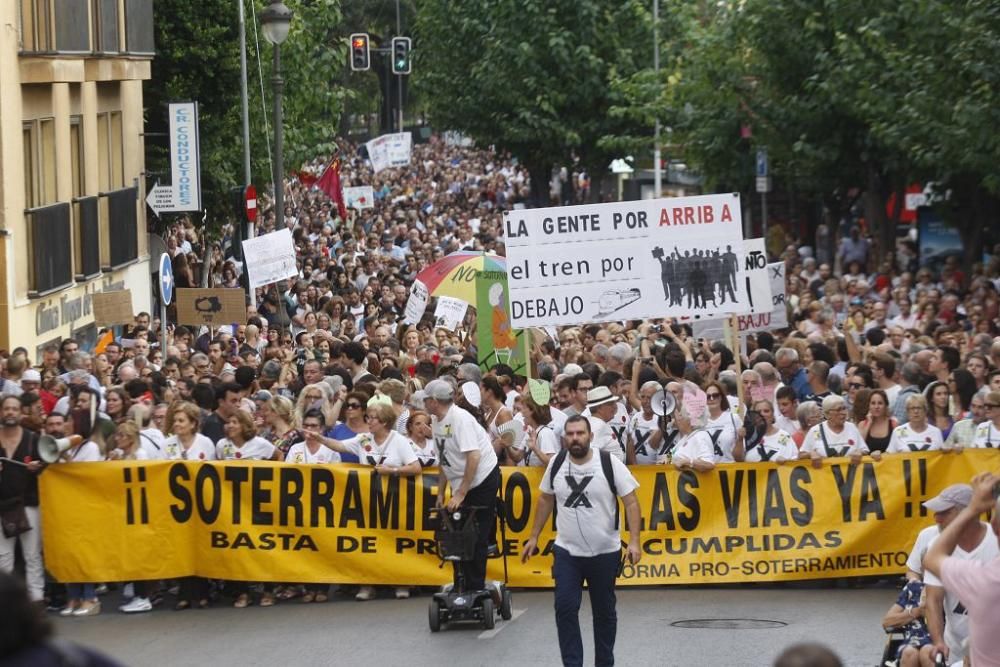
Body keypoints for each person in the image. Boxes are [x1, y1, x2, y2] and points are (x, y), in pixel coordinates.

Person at [522, 415, 641, 667]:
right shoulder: (556, 463)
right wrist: (533, 536)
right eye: (571, 434)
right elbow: (545, 499)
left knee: (604, 613)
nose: (575, 438)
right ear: (564, 437)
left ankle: (604, 662)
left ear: (590, 436)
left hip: (605, 552)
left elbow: (631, 501)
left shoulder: (608, 464)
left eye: (580, 433)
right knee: (564, 608)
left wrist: (634, 541)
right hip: (567, 552)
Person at [308, 401, 420, 600]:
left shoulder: (399, 441)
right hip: (366, 499)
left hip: (394, 499)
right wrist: (321, 439)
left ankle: (400, 582)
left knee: (394, 542)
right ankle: (368, 583)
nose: (368, 421)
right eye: (368, 417)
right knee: (368, 542)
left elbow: (415, 467)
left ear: (384, 422)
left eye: (372, 418)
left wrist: (392, 471)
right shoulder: (363, 439)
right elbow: (340, 445)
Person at [424, 379, 500, 598]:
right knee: (456, 532)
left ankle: (476, 585)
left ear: (435, 401)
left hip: (482, 478)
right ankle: (461, 582)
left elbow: (473, 456)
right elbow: (443, 458)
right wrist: (441, 492)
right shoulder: (436, 420)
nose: (425, 404)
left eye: (427, 400)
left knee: (475, 532)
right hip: (460, 480)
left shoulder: (460, 420)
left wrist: (461, 493)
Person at [922, 475, 1000, 666]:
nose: (936, 518)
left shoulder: (990, 569)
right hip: (954, 648)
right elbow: (933, 599)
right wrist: (938, 640)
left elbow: (932, 560)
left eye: (944, 512)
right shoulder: (935, 543)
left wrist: (974, 507)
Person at [0, 395, 43, 604]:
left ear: (20, 412)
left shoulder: (32, 439)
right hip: (3, 505)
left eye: (14, 409)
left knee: (32, 556)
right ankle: (5, 604)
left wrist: (37, 467)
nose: (10, 412)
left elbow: (45, 465)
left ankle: (36, 600)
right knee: (3, 558)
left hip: (29, 504)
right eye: (6, 408)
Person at [799, 395, 877, 467]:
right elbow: (801, 455)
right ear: (827, 414)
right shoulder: (816, 431)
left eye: (844, 408)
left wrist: (859, 453)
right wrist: (810, 454)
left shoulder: (851, 427)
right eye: (838, 410)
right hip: (825, 479)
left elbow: (864, 450)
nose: (843, 413)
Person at [880, 578, 935, 667]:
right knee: (910, 653)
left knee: (927, 652)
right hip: (912, 641)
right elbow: (887, 622)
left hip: (940, 639)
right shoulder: (913, 588)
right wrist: (916, 612)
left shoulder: (947, 587)